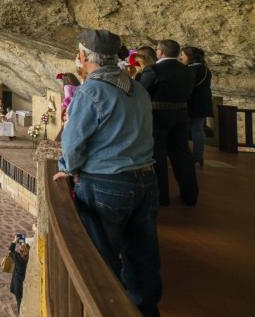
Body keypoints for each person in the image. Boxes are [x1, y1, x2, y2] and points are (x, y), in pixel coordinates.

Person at [56, 29, 161, 316]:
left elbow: (72, 143)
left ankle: (108, 309)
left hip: (106, 184)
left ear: (83, 56)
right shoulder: (137, 88)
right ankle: (145, 309)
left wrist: (68, 169)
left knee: (101, 257)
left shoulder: (91, 91)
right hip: (146, 179)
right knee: (142, 255)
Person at [139, 39, 198, 206]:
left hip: (157, 115)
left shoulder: (153, 69)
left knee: (157, 155)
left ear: (161, 52)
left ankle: (161, 196)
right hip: (181, 115)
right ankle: (190, 195)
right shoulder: (188, 70)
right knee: (182, 154)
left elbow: (141, 92)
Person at [180, 46, 212, 167]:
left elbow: (186, 88)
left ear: (189, 56)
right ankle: (198, 155)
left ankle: (186, 156)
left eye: (182, 55)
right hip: (203, 103)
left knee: (183, 130)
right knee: (198, 129)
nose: (181, 57)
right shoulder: (206, 69)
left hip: (191, 103)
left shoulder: (190, 70)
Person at [8, 237, 29, 312]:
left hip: (18, 285)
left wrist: (14, 241)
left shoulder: (18, 258)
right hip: (26, 284)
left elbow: (10, 251)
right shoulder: (28, 260)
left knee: (19, 302)